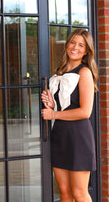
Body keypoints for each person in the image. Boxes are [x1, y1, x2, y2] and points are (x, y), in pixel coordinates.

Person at [41, 28, 98, 202]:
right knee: (64, 192)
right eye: (73, 42)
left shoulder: (84, 72)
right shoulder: (61, 71)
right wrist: (52, 104)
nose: (75, 47)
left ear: (86, 51)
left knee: (79, 193)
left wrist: (53, 114)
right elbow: (65, 105)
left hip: (78, 138)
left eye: (81, 45)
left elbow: (85, 111)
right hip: (59, 136)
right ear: (67, 45)